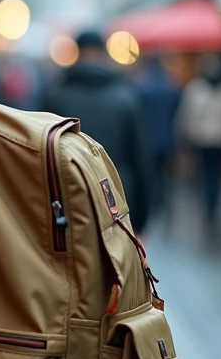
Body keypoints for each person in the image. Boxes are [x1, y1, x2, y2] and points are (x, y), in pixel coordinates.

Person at [41, 31, 153, 233]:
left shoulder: (55, 95)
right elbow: (141, 160)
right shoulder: (126, 96)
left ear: (78, 52)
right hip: (117, 201)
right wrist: (142, 218)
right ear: (103, 53)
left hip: (68, 202)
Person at [177, 54, 221, 226]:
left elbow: (188, 115)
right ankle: (212, 202)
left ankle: (211, 202)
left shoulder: (198, 89)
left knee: (210, 172)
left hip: (209, 138)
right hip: (214, 139)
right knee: (212, 172)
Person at [134, 55, 182, 220]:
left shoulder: (143, 88)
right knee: (164, 172)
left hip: (148, 138)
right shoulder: (171, 88)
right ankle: (164, 199)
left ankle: (155, 199)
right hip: (167, 137)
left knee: (152, 171)